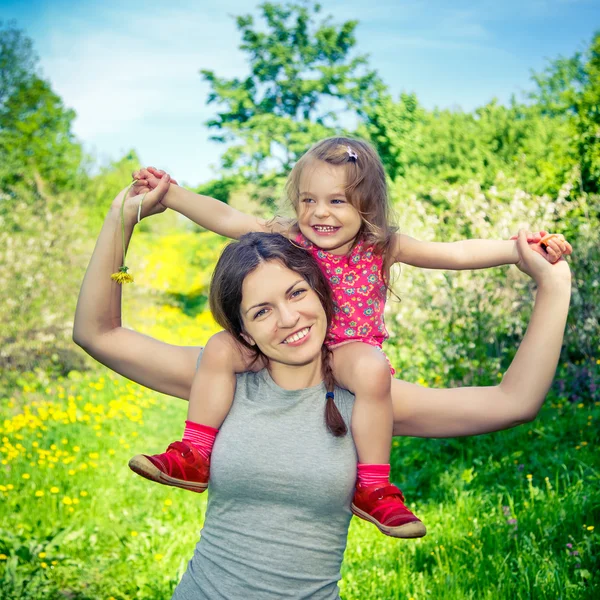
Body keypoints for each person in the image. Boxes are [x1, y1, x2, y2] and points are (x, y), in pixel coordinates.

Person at [72, 178, 571, 599]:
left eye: (296, 293)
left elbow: (514, 402)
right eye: (261, 311)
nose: (288, 318)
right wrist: (124, 216)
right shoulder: (222, 378)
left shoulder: (366, 396)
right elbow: (99, 333)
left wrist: (553, 285)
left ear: (322, 291)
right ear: (242, 329)